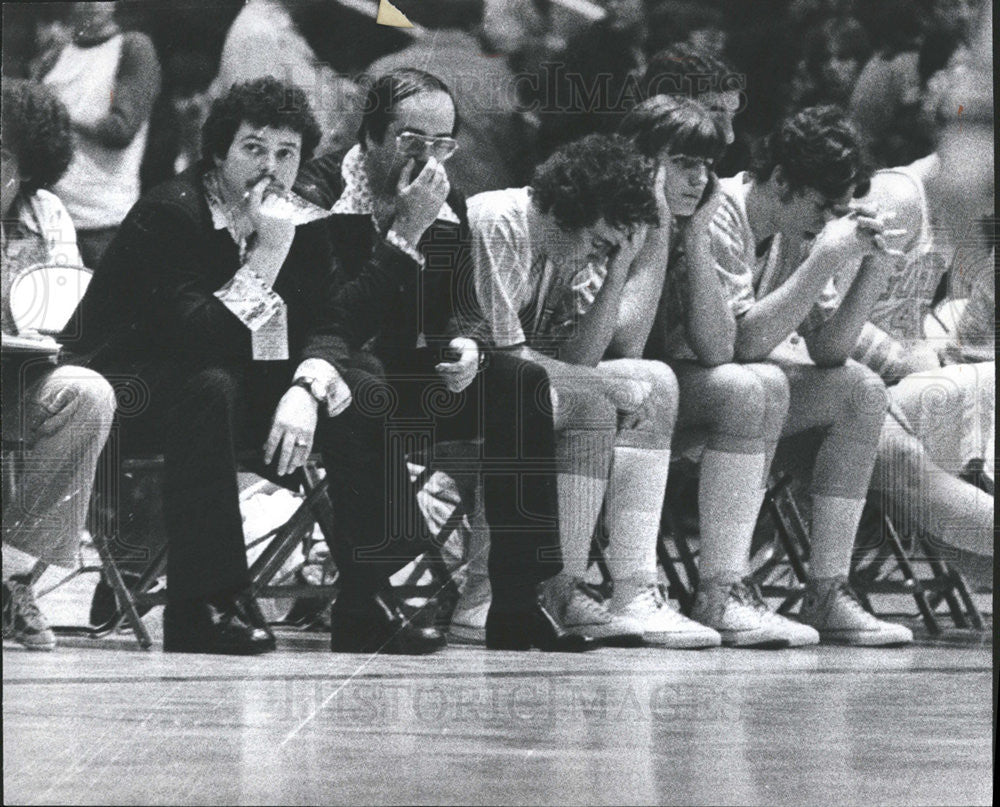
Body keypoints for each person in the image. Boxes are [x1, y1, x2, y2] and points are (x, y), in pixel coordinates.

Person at [64, 76, 425, 656]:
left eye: (287, 154)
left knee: (355, 381)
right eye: (253, 148)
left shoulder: (300, 218)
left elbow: (334, 319)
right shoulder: (170, 213)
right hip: (126, 391)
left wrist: (307, 386)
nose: (271, 168)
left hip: (226, 386)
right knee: (211, 383)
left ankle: (367, 596)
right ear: (217, 153)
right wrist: (268, 252)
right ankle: (203, 604)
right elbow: (198, 339)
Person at [295, 69, 591, 652]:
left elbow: (464, 306)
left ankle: (515, 599)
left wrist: (468, 344)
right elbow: (337, 323)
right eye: (411, 140)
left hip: (409, 377)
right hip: (329, 380)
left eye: (442, 144)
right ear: (372, 136)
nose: (428, 158)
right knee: (367, 380)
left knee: (519, 380)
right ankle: (367, 596)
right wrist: (406, 228)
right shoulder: (319, 194)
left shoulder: (444, 195)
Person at [664, 105, 914, 645]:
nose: (831, 221)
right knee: (762, 382)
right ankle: (721, 591)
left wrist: (873, 270)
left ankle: (828, 590)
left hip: (734, 392)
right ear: (781, 179)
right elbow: (739, 346)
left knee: (862, 391)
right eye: (824, 206)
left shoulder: (798, 232)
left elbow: (829, 349)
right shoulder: (724, 209)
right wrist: (822, 260)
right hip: (671, 382)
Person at [466, 133, 722, 648]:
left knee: (602, 402)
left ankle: (562, 588)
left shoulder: (565, 246)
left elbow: (575, 361)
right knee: (563, 396)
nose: (594, 258)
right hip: (439, 386)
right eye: (600, 245)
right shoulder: (500, 221)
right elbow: (508, 358)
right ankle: (479, 595)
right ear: (571, 209)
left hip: (503, 389)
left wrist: (617, 270)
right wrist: (602, 382)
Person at [616, 95, 808, 647]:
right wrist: (656, 228)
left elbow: (719, 349)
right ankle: (631, 587)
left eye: (704, 165)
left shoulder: (695, 222)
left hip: (656, 391)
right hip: (589, 382)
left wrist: (694, 237)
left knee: (760, 384)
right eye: (682, 162)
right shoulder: (618, 215)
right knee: (661, 381)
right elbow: (627, 342)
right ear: (644, 161)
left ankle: (722, 590)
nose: (699, 178)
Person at [839, 64, 994, 582]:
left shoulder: (964, 208)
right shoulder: (899, 197)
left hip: (910, 377)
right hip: (860, 380)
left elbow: (920, 321)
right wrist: (910, 353)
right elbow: (826, 312)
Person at [1, 79, 116, 651]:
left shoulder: (48, 213)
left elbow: (65, 311)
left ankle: (9, 575)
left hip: (20, 377)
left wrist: (47, 328)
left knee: (89, 392)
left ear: (26, 164)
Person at [39, 1, 161, 269]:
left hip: (104, 222)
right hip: (51, 219)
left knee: (106, 309)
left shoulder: (132, 47)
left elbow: (120, 129)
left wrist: (55, 113)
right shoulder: (57, 54)